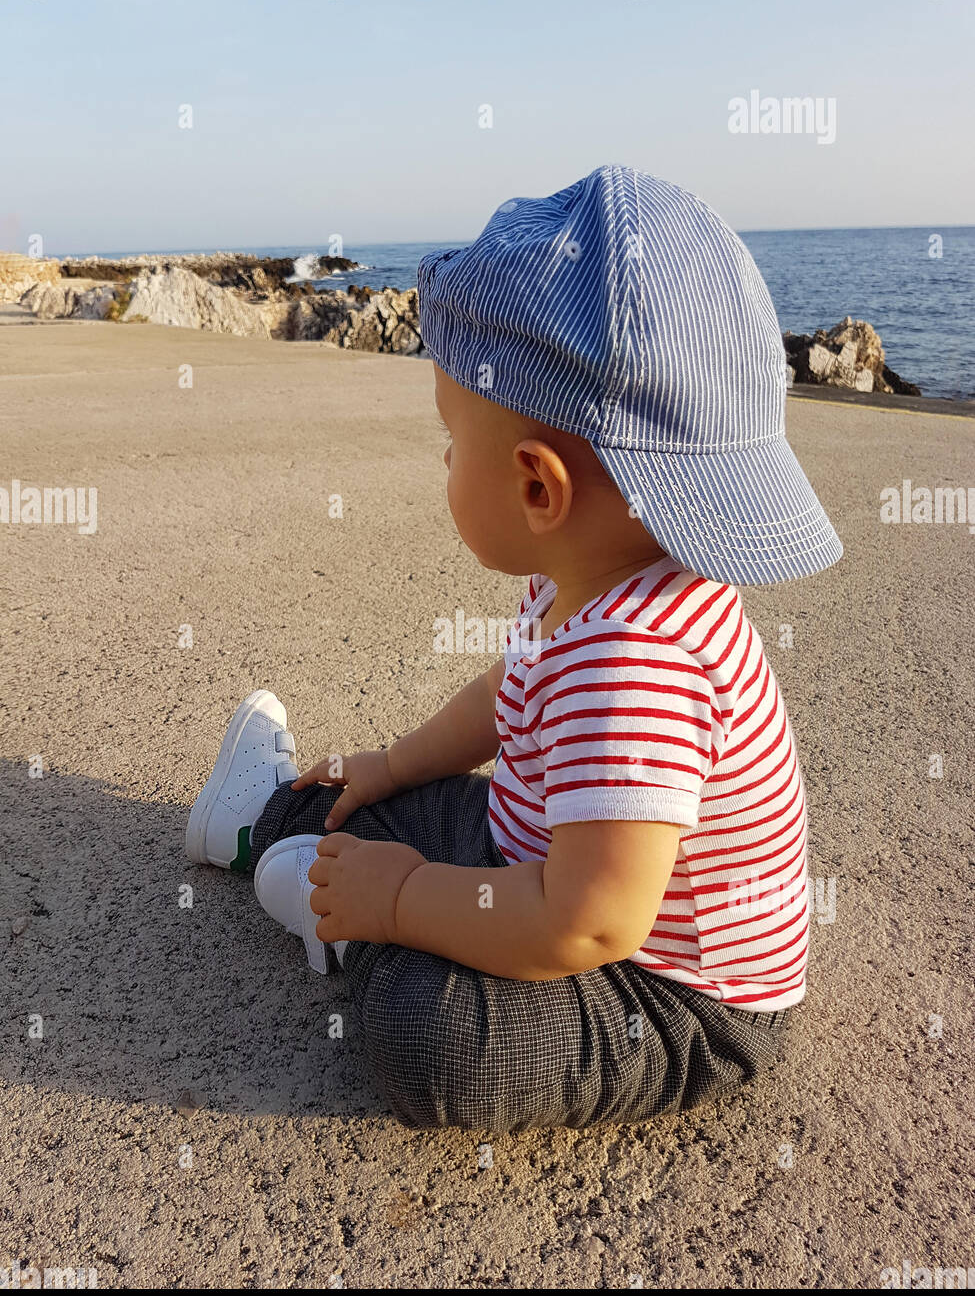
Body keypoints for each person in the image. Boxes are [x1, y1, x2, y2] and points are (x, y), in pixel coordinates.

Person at [186, 166, 842, 1133]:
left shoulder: (638, 661)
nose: (445, 461)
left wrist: (407, 899)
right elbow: (510, 696)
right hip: (544, 854)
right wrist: (389, 764)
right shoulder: (590, 576)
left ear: (538, 489)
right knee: (376, 802)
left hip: (662, 995)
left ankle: (332, 904)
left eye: (452, 438)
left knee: (435, 1041)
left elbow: (591, 922)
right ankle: (267, 826)